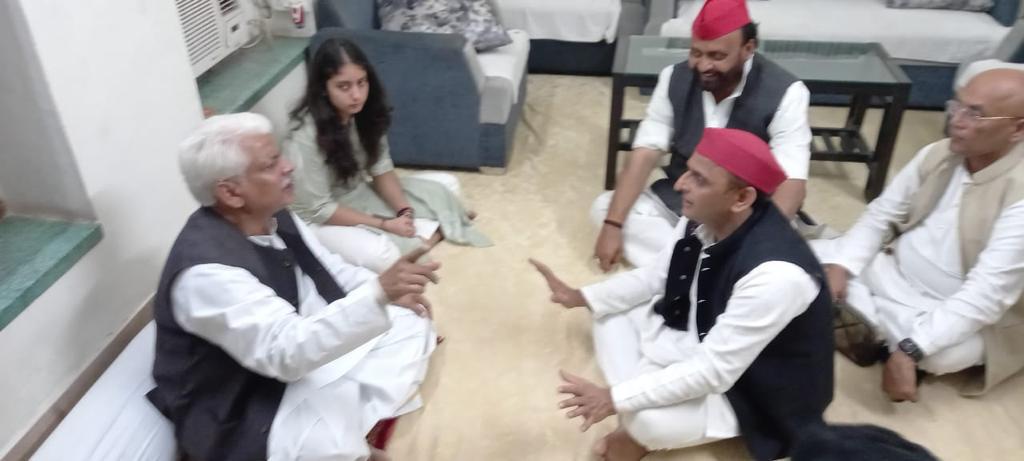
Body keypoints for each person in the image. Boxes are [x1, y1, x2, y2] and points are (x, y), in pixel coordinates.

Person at [147, 113, 438, 461]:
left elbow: (333, 270)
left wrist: (387, 294)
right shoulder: (206, 274)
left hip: (293, 354)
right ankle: (344, 428)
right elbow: (285, 354)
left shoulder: (272, 212)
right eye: (271, 164)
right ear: (230, 192)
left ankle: (346, 418)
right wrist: (378, 294)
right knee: (328, 446)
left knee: (410, 323)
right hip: (243, 400)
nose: (288, 167)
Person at [533, 128, 832, 461]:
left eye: (699, 179)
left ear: (741, 199)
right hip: (702, 333)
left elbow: (714, 370)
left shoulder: (777, 275)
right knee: (607, 315)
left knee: (647, 422)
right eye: (688, 171)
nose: (679, 185)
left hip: (755, 388)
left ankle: (637, 426)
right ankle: (646, 392)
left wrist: (613, 399)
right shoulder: (704, 214)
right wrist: (580, 296)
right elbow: (657, 276)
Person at [812, 67, 1024, 402]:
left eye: (975, 114)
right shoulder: (940, 153)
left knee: (940, 354)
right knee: (801, 256)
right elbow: (881, 215)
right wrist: (842, 266)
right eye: (956, 106)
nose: (956, 121)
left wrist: (913, 348)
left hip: (946, 307)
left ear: (1018, 129)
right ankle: (873, 326)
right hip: (890, 269)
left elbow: (985, 296)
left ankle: (869, 324)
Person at [591, 0, 811, 271]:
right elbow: (645, 152)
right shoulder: (674, 78)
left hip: (744, 216)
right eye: (696, 53)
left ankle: (688, 271)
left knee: (781, 258)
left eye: (717, 56)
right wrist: (613, 225)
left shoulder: (787, 92)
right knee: (605, 208)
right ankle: (706, 273)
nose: (703, 65)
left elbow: (792, 183)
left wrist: (755, 246)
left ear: (748, 48)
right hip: (685, 203)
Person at [286, 35, 490, 273]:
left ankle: (423, 240)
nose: (357, 95)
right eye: (344, 86)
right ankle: (429, 237)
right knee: (381, 255)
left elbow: (381, 168)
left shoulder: (366, 113)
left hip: (360, 194)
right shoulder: (304, 136)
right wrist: (385, 224)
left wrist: (404, 212)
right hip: (320, 220)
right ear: (323, 88)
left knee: (448, 184)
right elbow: (320, 209)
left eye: (362, 83)